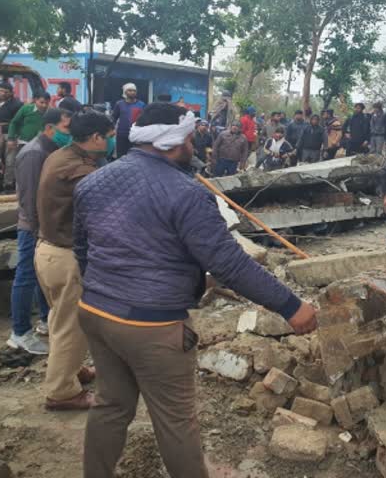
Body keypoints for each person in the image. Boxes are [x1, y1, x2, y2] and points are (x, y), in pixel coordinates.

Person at [72, 102, 317, 478]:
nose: (194, 145)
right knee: (175, 422)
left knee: (110, 406)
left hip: (96, 312)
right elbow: (228, 264)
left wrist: (108, 289)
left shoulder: (93, 182)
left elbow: (83, 250)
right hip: (151, 326)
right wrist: (291, 305)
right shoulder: (187, 193)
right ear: (174, 142)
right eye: (189, 138)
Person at [35, 111, 114, 411]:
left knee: (60, 319)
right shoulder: (80, 170)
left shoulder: (61, 155)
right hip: (67, 257)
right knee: (73, 325)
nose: (109, 141)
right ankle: (62, 392)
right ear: (95, 138)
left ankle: (70, 370)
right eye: (107, 136)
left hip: (49, 251)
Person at [7, 108, 72, 355]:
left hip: (46, 226)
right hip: (33, 227)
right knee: (26, 277)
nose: (70, 134)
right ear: (49, 128)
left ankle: (46, 321)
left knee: (42, 277)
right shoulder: (34, 154)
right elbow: (31, 199)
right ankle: (19, 332)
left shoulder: (51, 149)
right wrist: (39, 233)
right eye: (66, 129)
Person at [112, 83, 146, 158]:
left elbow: (144, 119)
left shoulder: (141, 104)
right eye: (130, 90)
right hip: (122, 134)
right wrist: (112, 129)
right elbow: (114, 118)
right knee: (121, 155)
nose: (132, 92)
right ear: (125, 92)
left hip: (136, 134)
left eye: (134, 91)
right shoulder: (119, 104)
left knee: (135, 155)